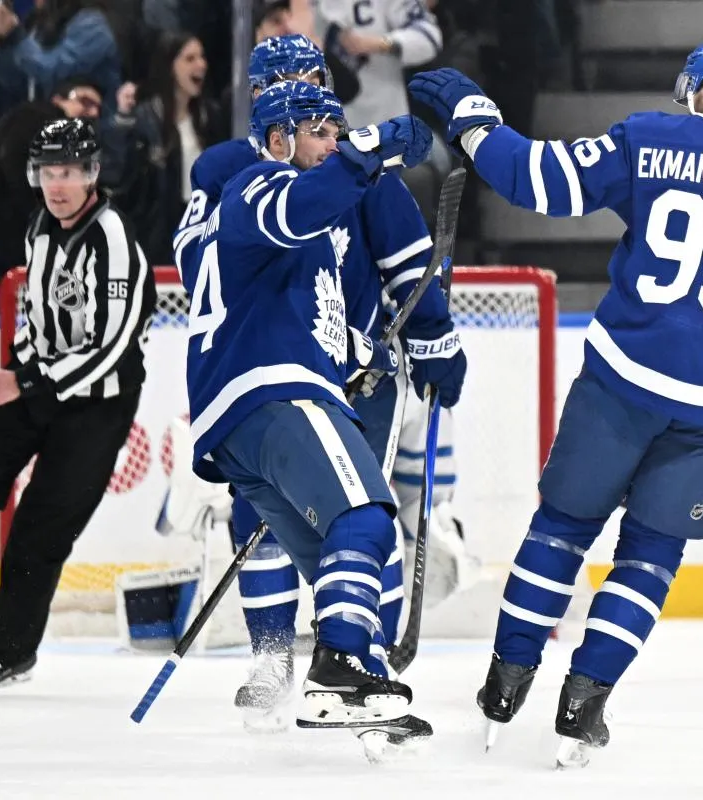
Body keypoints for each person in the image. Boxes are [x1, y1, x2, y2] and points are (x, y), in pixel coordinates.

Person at [408, 34, 703, 767]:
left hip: (622, 380)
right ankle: (584, 704)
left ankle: (505, 686)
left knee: (562, 530)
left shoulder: (650, 139)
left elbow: (537, 181)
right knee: (649, 559)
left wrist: (475, 119)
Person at [170, 36, 464, 738]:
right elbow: (280, 221)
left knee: (353, 532)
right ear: (271, 126)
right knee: (361, 514)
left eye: (327, 106)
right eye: (313, 122)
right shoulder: (253, 180)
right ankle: (293, 658)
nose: (329, 134)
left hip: (314, 382)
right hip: (282, 383)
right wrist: (367, 147)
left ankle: (357, 667)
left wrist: (430, 335)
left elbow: (406, 264)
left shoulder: (330, 180)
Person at [0, 118, 154, 694]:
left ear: (92, 175)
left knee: (39, 529)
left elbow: (112, 349)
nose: (59, 184)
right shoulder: (39, 229)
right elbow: (42, 320)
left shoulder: (116, 239)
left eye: (71, 172)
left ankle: (10, 650)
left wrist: (25, 384)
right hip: (36, 384)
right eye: (49, 172)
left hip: (96, 407)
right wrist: (19, 368)